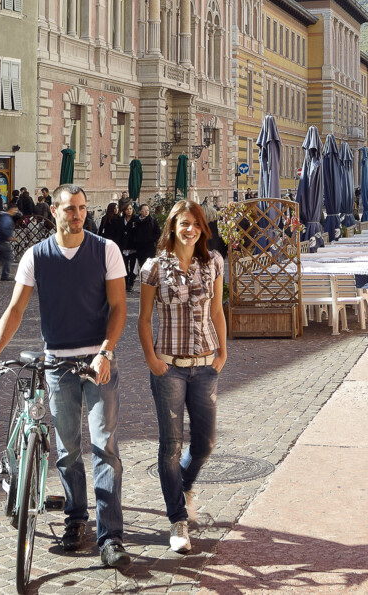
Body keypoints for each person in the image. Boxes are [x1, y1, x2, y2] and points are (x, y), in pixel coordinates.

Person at [0, 184, 131, 568]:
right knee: (68, 449)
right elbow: (15, 310)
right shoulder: (36, 256)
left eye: (81, 208)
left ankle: (111, 536)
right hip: (58, 362)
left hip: (97, 361)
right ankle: (76, 519)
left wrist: (106, 352)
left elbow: (119, 307)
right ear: (54, 213)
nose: (76, 215)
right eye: (69, 209)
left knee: (104, 446)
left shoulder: (105, 250)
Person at [136, 200, 227, 554]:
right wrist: (152, 360)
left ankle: (185, 486)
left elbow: (217, 310)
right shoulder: (154, 268)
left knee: (204, 444)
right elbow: (144, 319)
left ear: (203, 229)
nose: (190, 229)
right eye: (183, 223)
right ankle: (178, 520)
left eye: (196, 224)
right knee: (170, 447)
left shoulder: (214, 262)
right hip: (169, 368)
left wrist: (222, 352)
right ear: (172, 227)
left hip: (205, 367)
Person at [129, 204, 161, 279]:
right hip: (139, 248)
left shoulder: (153, 221)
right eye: (144, 210)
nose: (146, 212)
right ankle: (143, 282)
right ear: (140, 211)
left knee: (150, 267)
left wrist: (150, 239)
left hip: (150, 248)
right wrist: (136, 240)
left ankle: (150, 282)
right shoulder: (136, 221)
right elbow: (132, 233)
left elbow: (158, 233)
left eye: (147, 210)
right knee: (142, 266)